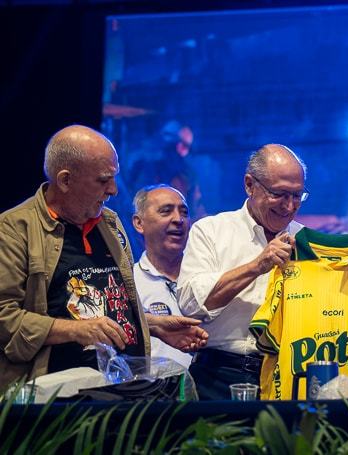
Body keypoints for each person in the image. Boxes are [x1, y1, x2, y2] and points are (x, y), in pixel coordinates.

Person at [0, 125, 208, 389]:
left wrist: (153, 325)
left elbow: (105, 309)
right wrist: (75, 330)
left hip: (124, 388)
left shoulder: (109, 223)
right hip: (58, 398)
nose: (113, 190)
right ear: (65, 181)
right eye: (103, 180)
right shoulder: (14, 229)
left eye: (114, 177)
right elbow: (4, 317)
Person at [177, 144, 308, 400]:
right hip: (217, 375)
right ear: (250, 185)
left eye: (297, 195)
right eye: (279, 194)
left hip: (286, 374)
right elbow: (191, 305)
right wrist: (257, 266)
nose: (290, 206)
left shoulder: (306, 240)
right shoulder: (211, 231)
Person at [132, 184, 194, 369]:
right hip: (151, 386)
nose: (178, 219)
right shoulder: (128, 283)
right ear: (139, 223)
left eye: (184, 212)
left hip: (208, 384)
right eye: (166, 211)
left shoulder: (205, 275)